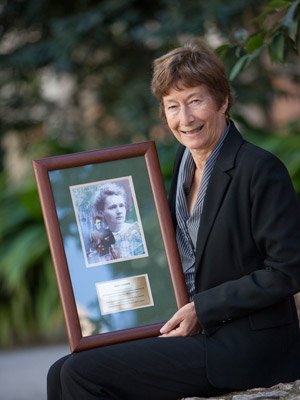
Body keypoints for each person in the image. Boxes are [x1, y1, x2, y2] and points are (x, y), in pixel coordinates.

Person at [47, 40, 300, 400]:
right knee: (60, 371)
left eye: (196, 100)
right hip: (195, 334)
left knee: (81, 375)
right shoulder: (183, 165)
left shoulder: (258, 169)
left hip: (243, 345)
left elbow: (289, 269)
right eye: (173, 106)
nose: (186, 119)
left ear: (223, 101)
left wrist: (203, 308)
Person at [93, 182, 145, 259]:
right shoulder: (100, 239)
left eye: (121, 205)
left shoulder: (139, 230)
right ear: (101, 212)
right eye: (113, 207)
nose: (119, 211)